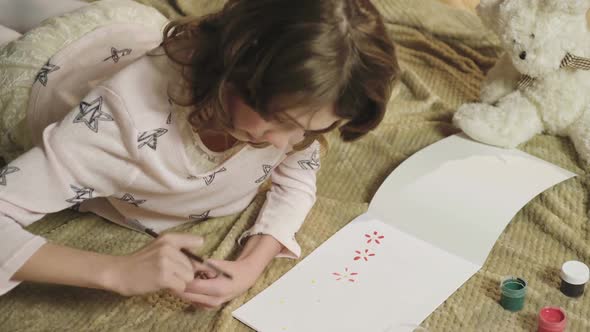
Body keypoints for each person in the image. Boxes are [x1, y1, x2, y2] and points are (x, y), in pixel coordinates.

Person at [0, 0, 399, 309]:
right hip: (52, 77)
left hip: (130, 34)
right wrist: (115, 272)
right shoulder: (119, 125)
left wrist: (249, 267)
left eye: (309, 129)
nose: (285, 143)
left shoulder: (300, 109)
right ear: (234, 75)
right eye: (277, 121)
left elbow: (297, 175)